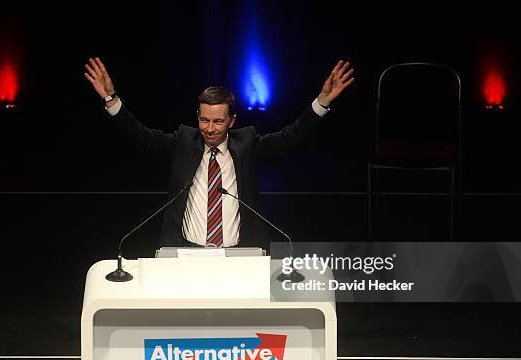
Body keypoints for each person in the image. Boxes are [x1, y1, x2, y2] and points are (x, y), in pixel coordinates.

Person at [85, 57, 354, 249]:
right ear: (197, 117)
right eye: (204, 120)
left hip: (239, 251)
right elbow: (141, 137)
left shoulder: (247, 144)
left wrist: (322, 103)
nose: (210, 129)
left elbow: (291, 136)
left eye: (218, 121)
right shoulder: (183, 141)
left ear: (232, 121)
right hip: (185, 250)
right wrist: (112, 100)